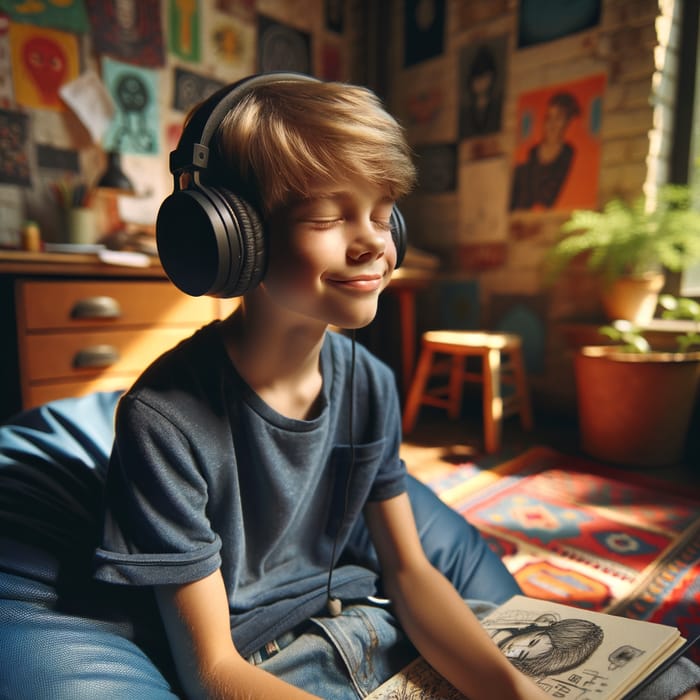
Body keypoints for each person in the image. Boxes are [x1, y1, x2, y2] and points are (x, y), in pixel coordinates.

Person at [92, 73, 700, 700]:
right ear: (231, 239)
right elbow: (213, 672)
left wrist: (513, 691)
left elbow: (410, 574)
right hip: (277, 669)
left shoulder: (372, 384)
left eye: (384, 215)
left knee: (668, 682)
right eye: (329, 216)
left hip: (379, 621)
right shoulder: (163, 422)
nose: (375, 243)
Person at [510, 91, 581, 211]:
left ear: (567, 123)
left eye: (558, 118)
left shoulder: (567, 153)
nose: (551, 124)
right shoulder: (533, 152)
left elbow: (548, 198)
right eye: (548, 118)